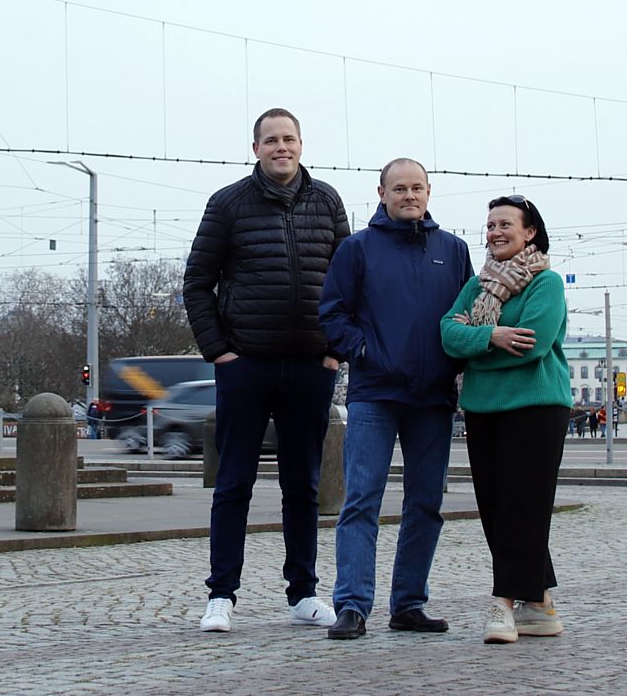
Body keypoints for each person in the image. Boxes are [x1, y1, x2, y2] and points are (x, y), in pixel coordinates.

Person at [184, 108, 349, 634]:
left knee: (304, 484)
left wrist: (334, 352)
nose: (282, 147)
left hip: (311, 366)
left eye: (290, 139)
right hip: (246, 365)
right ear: (256, 147)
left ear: (302, 145)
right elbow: (196, 283)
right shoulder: (227, 203)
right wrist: (220, 354)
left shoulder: (327, 201)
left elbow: (349, 284)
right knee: (234, 482)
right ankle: (221, 596)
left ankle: (303, 593)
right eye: (271, 140)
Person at [317, 158, 474, 640]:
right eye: (399, 188)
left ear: (430, 193)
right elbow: (332, 313)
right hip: (375, 395)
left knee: (426, 503)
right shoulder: (356, 249)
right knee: (361, 500)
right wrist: (362, 350)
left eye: (417, 188)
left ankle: (409, 602)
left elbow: (469, 314)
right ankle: (352, 605)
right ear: (381, 193)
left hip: (433, 398)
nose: (409, 196)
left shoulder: (454, 249)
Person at [440, 195, 569, 644]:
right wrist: (492, 336)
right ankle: (540, 604)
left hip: (537, 407)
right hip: (483, 409)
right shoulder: (478, 286)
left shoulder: (546, 283)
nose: (495, 232)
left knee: (523, 507)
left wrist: (475, 347)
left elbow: (533, 345)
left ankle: (503, 604)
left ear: (529, 231)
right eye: (490, 224)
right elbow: (447, 335)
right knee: (498, 510)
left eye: (505, 224)